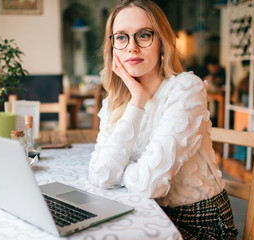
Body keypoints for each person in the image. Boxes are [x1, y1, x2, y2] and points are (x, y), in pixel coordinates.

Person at [88, 0, 238, 239]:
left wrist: (122, 170)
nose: (132, 47)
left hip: (198, 221)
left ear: (162, 42)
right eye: (121, 37)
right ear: (113, 46)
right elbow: (101, 175)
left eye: (144, 35)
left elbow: (150, 185)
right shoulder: (115, 101)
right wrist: (137, 100)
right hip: (142, 212)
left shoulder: (186, 90)